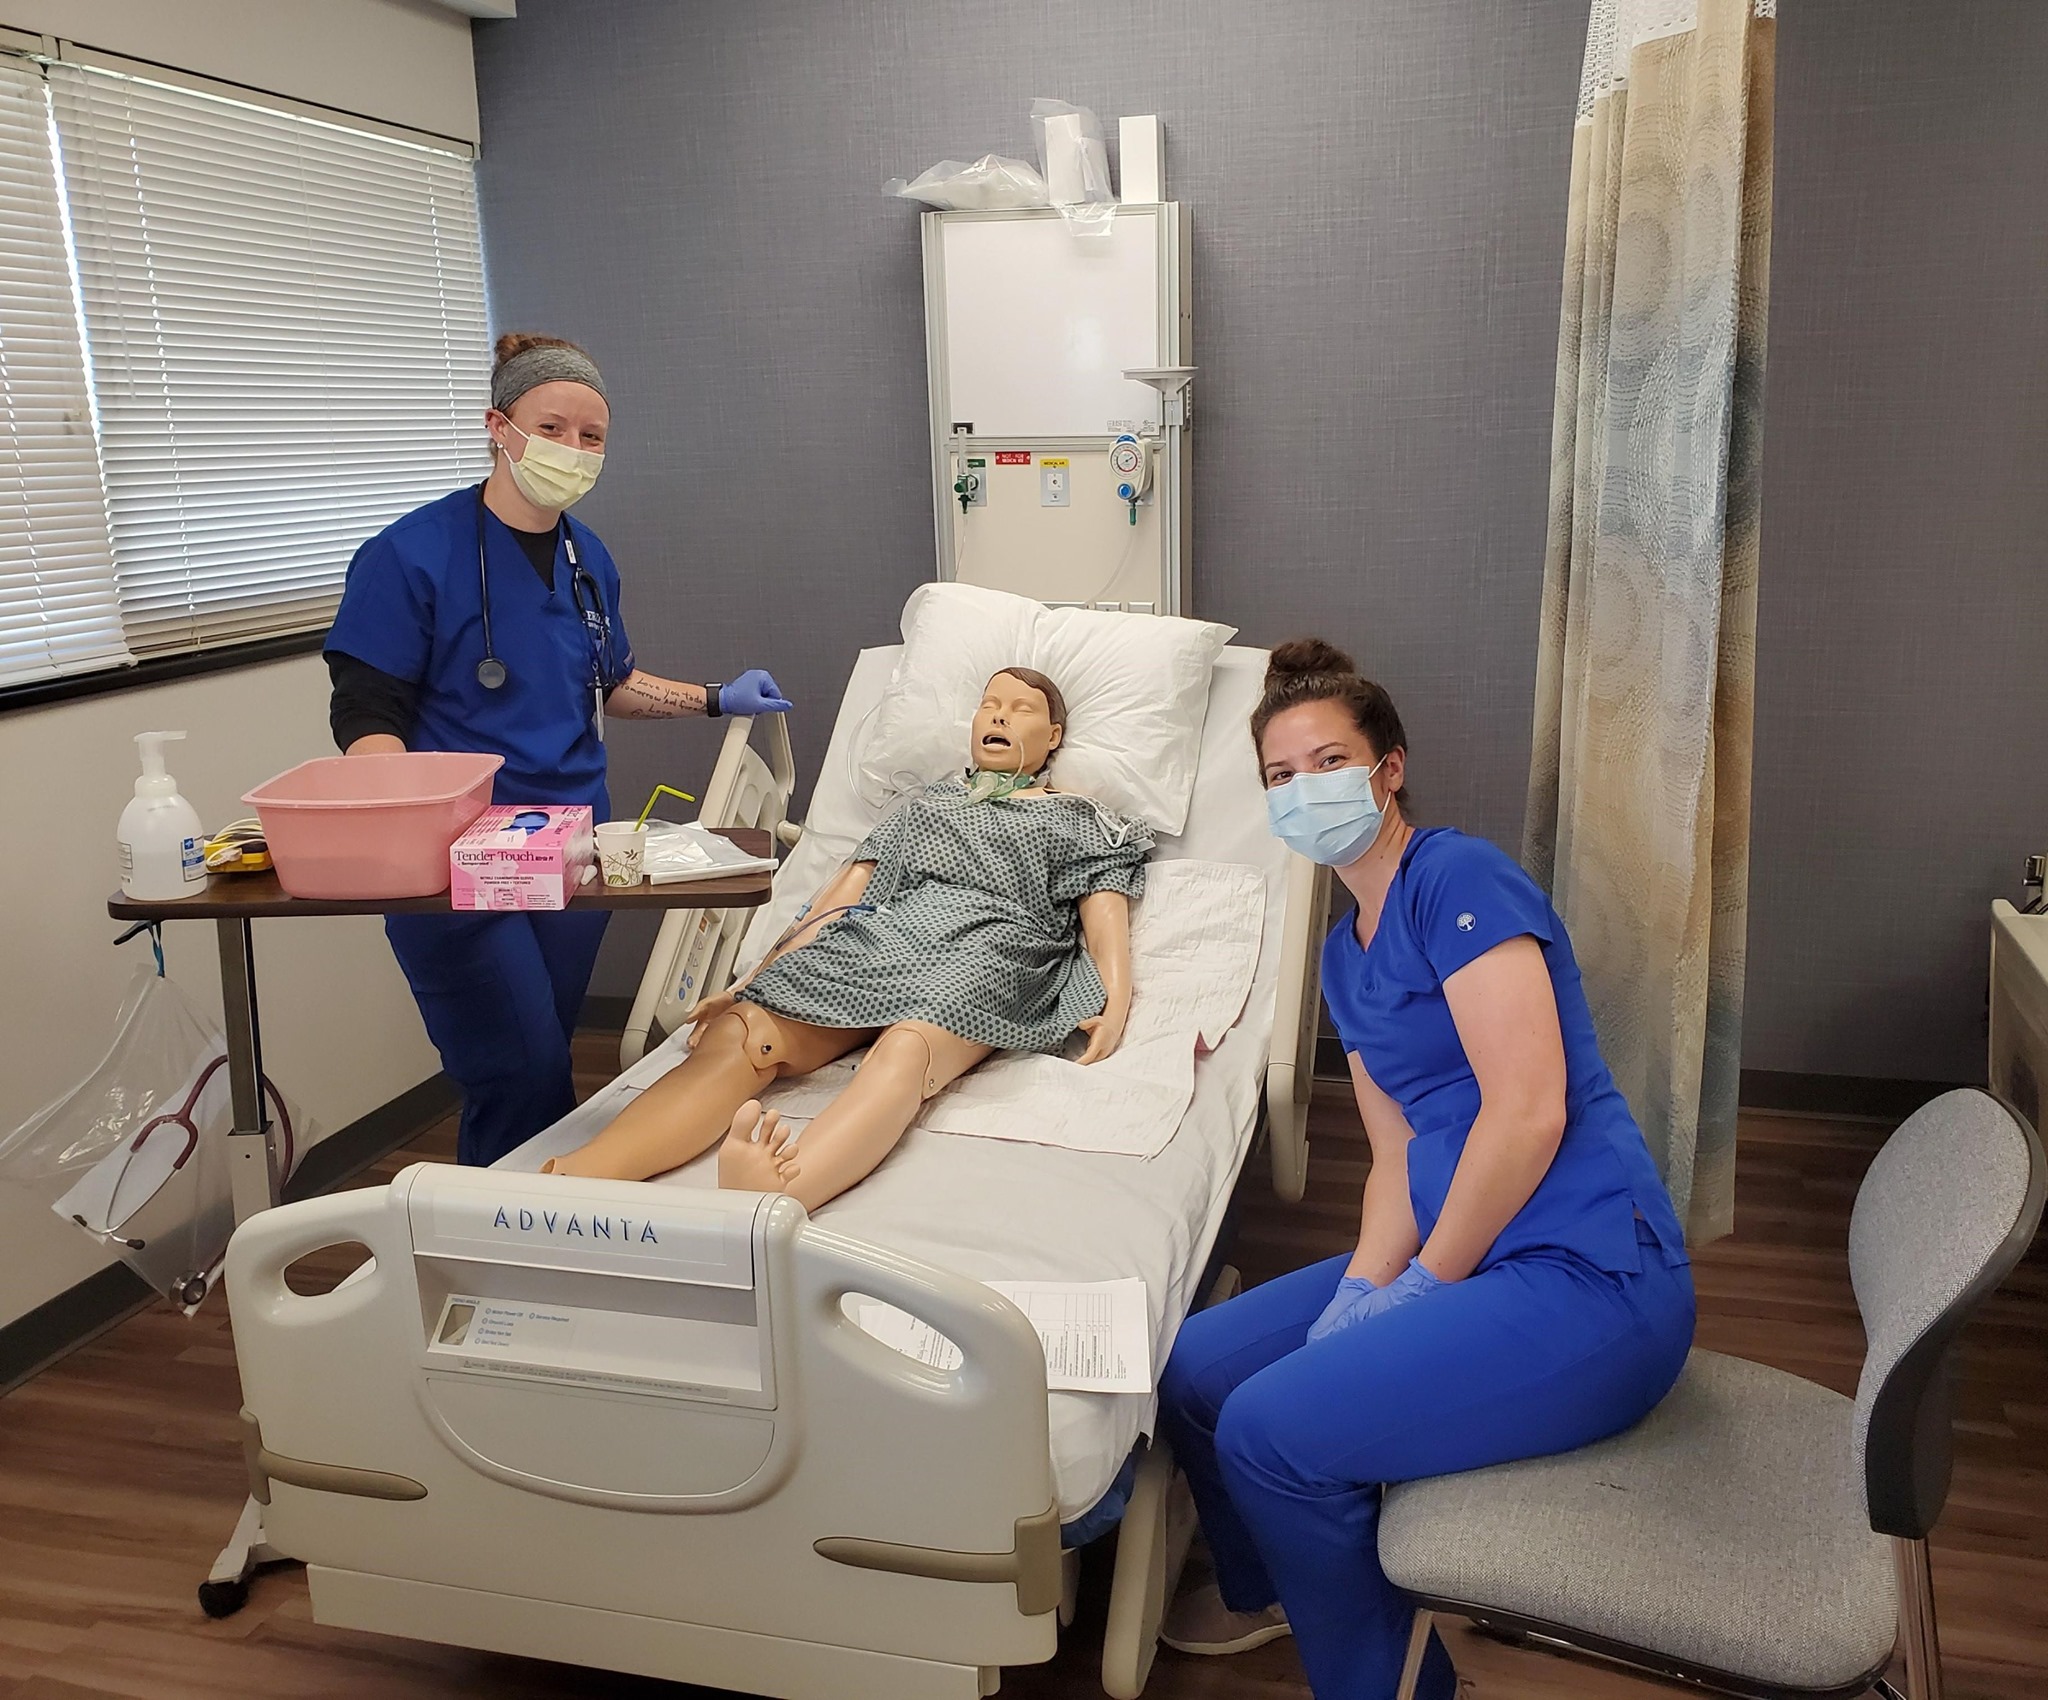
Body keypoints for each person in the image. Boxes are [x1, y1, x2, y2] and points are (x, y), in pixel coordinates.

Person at [1155, 639, 1695, 1700]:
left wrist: (1418, 1285)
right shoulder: (1342, 949)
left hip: (1587, 1274)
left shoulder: (1457, 876)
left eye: (1327, 761)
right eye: (1278, 775)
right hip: (1471, 1245)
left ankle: (1394, 1681)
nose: (1302, 789)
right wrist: (1363, 1281)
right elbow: (1395, 1149)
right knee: (1198, 1367)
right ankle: (1271, 1590)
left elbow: (1530, 1110)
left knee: (1269, 1433)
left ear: (1386, 767)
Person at [324, 332, 792, 1167]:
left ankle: (519, 1250)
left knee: (537, 1058)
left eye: (591, 436)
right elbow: (366, 711)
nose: (573, 451)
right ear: (498, 427)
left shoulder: (587, 558)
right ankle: (510, 1258)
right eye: (554, 428)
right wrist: (407, 830)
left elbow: (612, 682)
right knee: (521, 1074)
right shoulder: (409, 555)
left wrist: (717, 698)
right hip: (461, 866)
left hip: (572, 853)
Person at [541, 668, 1147, 1209]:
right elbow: (844, 895)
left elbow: (1103, 910)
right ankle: (578, 1175)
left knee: (908, 1046)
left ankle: (782, 1189)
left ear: (1055, 736)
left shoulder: (1078, 817)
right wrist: (755, 980)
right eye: (989, 704)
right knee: (746, 1032)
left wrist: (1114, 1000)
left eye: (1021, 709)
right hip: (886, 934)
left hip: (992, 945)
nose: (998, 716)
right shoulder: (923, 806)